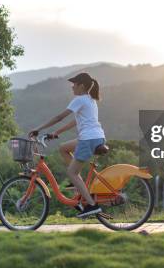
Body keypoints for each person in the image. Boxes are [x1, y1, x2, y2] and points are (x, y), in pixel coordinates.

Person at [28, 72, 106, 218]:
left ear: (81, 86)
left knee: (71, 172)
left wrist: (38, 129)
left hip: (88, 139)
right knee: (63, 148)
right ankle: (78, 183)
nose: (72, 87)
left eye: (74, 84)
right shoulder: (90, 99)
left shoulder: (80, 99)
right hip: (97, 137)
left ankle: (91, 205)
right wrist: (56, 133)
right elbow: (76, 121)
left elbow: (59, 117)